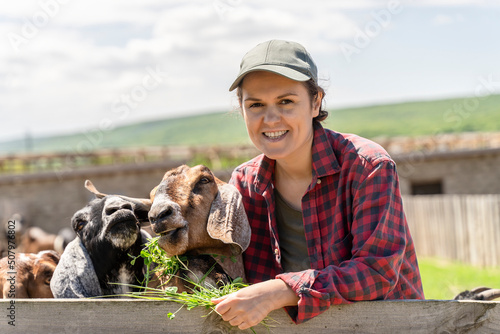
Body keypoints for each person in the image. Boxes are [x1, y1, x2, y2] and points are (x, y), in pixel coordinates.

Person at [211, 39, 424, 329]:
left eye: (286, 101)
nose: (271, 119)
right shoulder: (244, 186)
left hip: (385, 327)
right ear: (242, 108)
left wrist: (280, 291)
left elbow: (377, 272)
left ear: (315, 102)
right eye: (256, 104)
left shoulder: (367, 167)